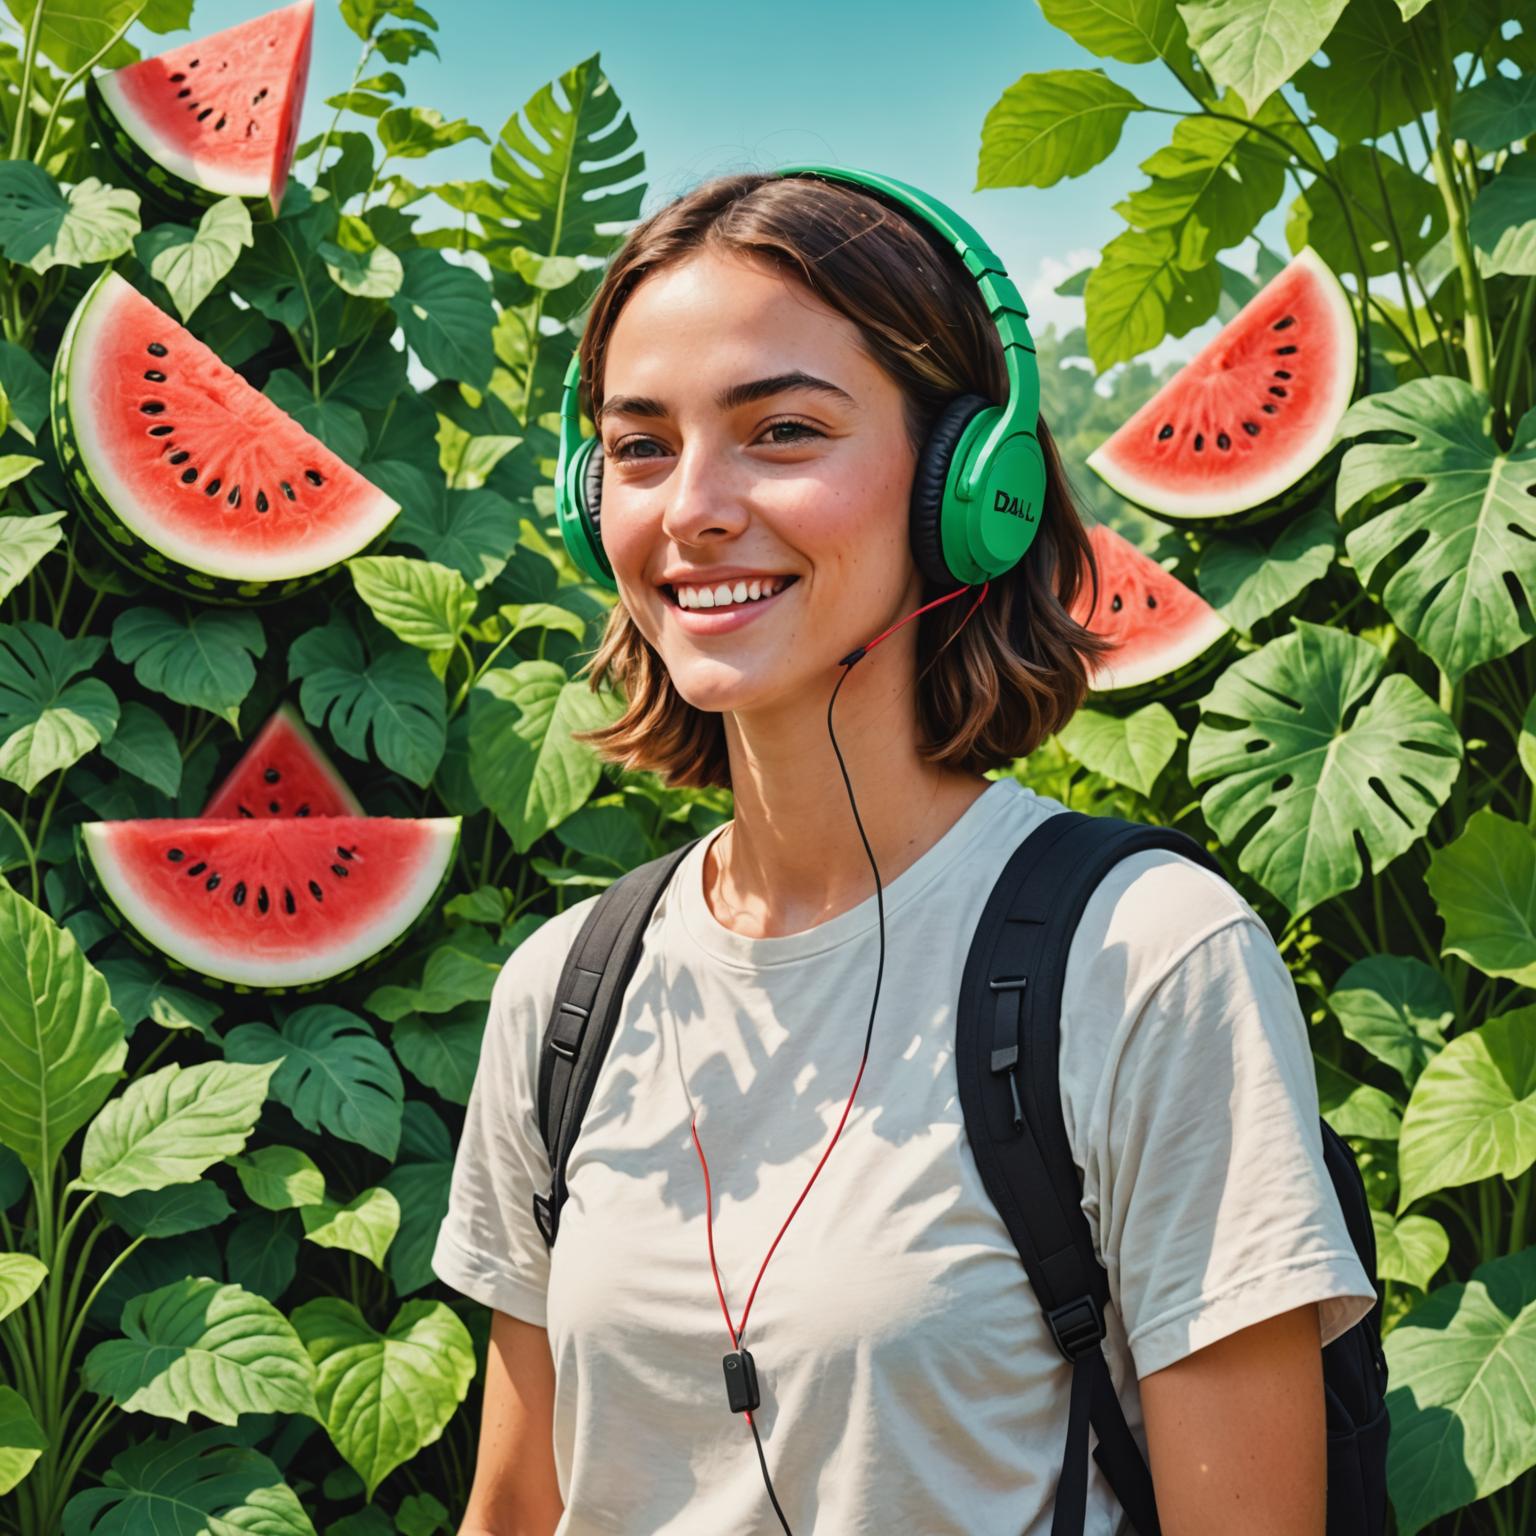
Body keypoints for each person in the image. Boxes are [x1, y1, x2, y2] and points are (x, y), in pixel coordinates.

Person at [430, 169, 1377, 1536]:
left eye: (782, 431)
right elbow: (517, 1512)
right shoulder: (565, 991)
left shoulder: (1150, 961)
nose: (691, 507)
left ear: (966, 484)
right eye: (640, 449)